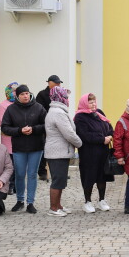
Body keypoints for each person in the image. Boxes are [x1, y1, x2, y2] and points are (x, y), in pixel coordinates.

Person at [1, 84, 47, 213]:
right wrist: (20, 130)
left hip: (36, 146)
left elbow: (46, 125)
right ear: (17, 96)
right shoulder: (11, 109)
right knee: (20, 174)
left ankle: (30, 203)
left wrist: (34, 129)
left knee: (32, 174)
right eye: (22, 94)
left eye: (27, 93)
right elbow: (4, 128)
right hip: (19, 147)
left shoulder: (39, 107)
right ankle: (20, 200)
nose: (25, 96)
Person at [44, 86, 82, 216]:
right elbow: (69, 133)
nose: (67, 99)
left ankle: (58, 205)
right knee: (58, 180)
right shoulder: (58, 113)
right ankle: (53, 208)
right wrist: (80, 143)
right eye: (65, 96)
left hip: (60, 152)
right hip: (57, 152)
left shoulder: (58, 110)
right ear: (59, 97)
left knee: (61, 180)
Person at [74, 93, 115, 213]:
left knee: (102, 176)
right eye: (90, 102)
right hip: (89, 153)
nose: (93, 104)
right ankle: (87, 201)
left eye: (94, 101)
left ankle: (102, 200)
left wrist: (110, 136)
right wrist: (102, 139)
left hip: (103, 152)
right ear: (84, 103)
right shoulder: (80, 117)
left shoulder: (99, 113)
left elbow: (109, 127)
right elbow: (84, 135)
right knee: (89, 177)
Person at [36, 75, 63, 181]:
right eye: (56, 83)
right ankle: (42, 171)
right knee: (44, 148)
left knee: (56, 148)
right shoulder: (42, 94)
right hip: (45, 124)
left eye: (59, 83)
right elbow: (40, 110)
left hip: (57, 125)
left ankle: (56, 171)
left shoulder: (60, 94)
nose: (58, 85)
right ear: (49, 83)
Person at [0, 82, 19, 194]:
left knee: (18, 164)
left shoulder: (20, 104)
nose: (15, 93)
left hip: (20, 138)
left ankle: (17, 186)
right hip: (8, 139)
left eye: (17, 91)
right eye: (13, 91)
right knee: (10, 164)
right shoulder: (3, 105)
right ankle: (10, 185)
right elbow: (1, 122)